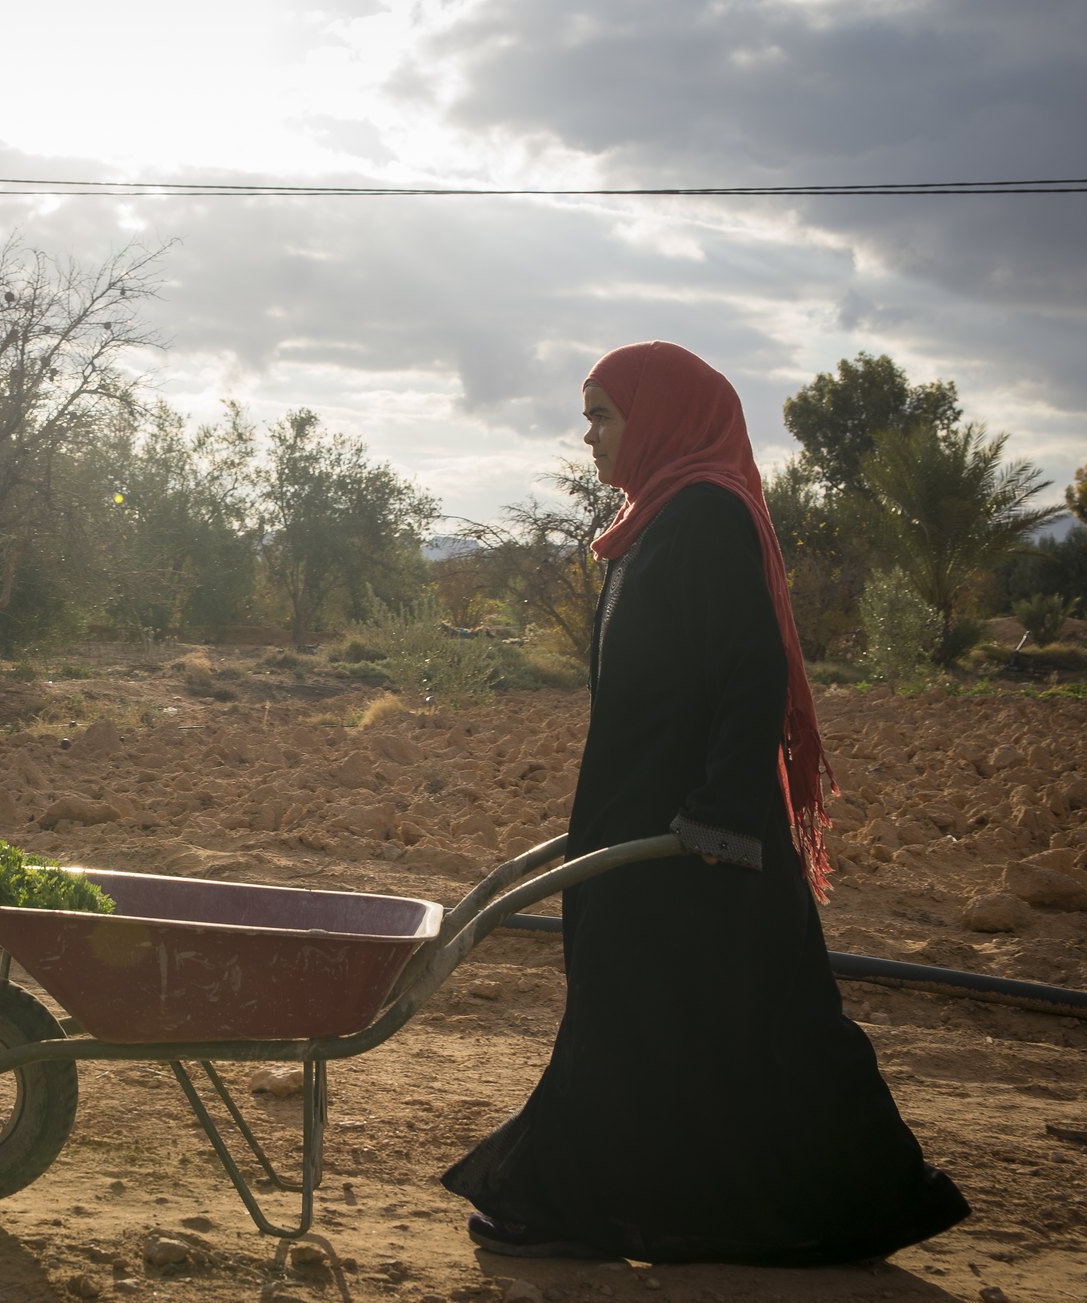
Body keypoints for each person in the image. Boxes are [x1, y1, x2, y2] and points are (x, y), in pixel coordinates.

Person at [441, 341, 968, 1266]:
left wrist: (720, 819)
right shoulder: (651, 521)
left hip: (698, 835)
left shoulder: (707, 518)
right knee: (677, 1014)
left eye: (605, 414)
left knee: (710, 1012)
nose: (592, 435)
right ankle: (690, 1205)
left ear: (664, 416)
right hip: (642, 814)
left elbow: (749, 668)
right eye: (589, 415)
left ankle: (566, 1200)